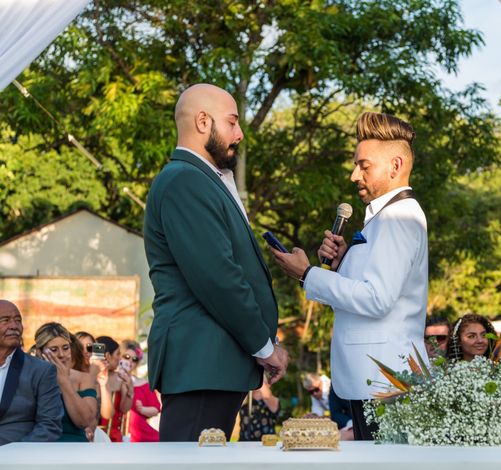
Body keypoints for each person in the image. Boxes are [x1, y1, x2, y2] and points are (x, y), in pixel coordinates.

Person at [270, 112, 429, 440]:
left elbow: (377, 299)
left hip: (386, 381)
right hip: (377, 378)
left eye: (364, 165)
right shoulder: (386, 217)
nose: (354, 174)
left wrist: (307, 275)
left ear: (395, 166)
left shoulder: (399, 218)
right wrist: (344, 263)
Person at [143, 83, 288, 442]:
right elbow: (218, 278)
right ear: (203, 122)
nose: (239, 134)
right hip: (201, 362)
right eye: (232, 122)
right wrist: (264, 347)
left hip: (213, 364)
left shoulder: (203, 179)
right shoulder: (185, 181)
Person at [0, 300, 64, 444]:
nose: (14, 326)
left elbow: (49, 426)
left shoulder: (41, 370)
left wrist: (18, 453)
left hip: (17, 457)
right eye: (5, 320)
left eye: (18, 320)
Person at [34, 322, 97, 442]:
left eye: (65, 348)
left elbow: (84, 421)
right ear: (40, 352)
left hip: (74, 447)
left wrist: (64, 382)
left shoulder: (84, 378)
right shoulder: (32, 377)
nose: (61, 354)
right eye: (54, 350)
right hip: (40, 446)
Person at [121, 340, 161, 442]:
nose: (129, 361)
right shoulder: (109, 380)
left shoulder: (143, 384)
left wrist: (142, 409)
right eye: (126, 357)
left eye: (134, 359)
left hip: (141, 436)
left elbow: (156, 409)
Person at [96, 336, 133, 442]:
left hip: (113, 436)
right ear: (107, 355)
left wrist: (130, 389)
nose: (120, 358)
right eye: (117, 354)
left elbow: (124, 409)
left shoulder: (120, 378)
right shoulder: (89, 376)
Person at [238, 377, 279, 441]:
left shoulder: (272, 402)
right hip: (244, 444)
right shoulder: (246, 402)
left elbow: (267, 396)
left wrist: (257, 376)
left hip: (266, 444)